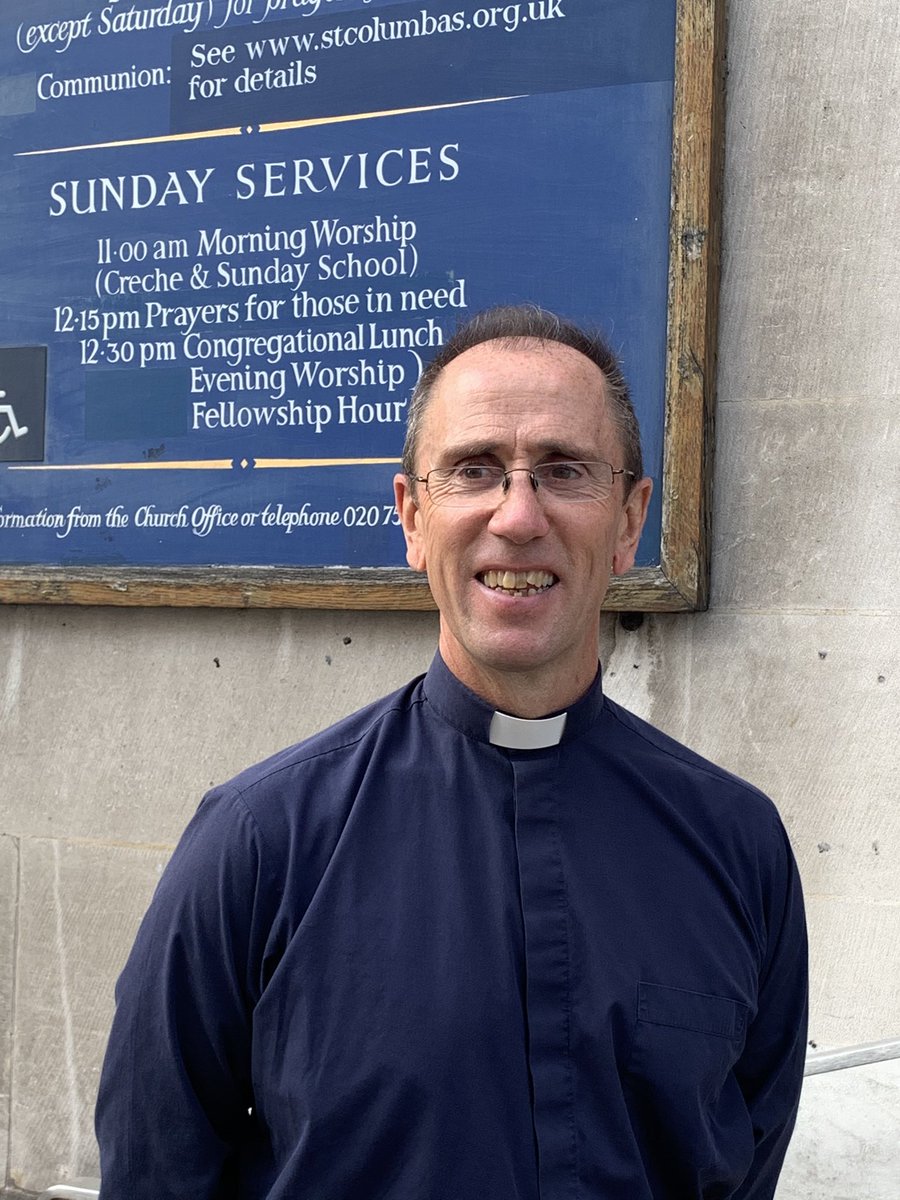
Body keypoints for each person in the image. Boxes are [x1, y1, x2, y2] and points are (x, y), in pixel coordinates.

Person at [96, 305, 808, 1199]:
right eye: (475, 470)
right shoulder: (258, 844)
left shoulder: (739, 846)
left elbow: (747, 1154)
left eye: (564, 471)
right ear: (413, 517)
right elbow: (156, 1168)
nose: (518, 516)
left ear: (630, 521)